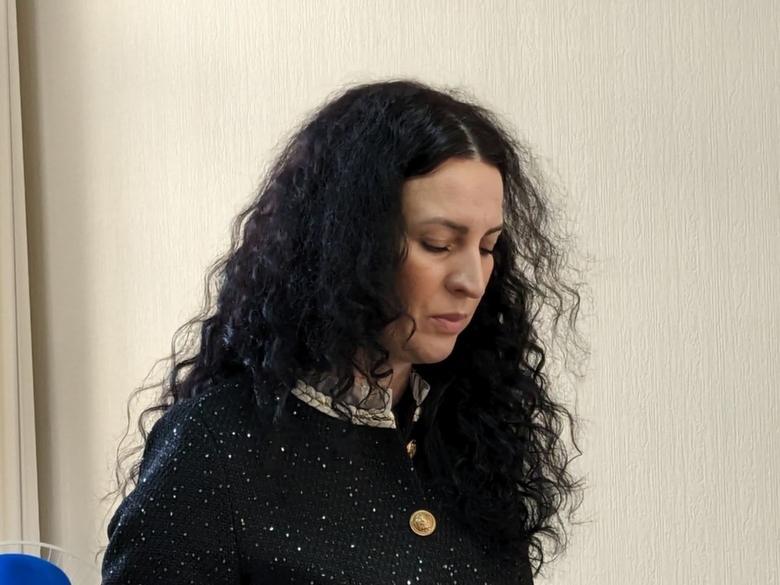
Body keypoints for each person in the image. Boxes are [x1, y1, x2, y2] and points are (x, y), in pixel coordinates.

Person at [102, 79, 584, 584]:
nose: (472, 281)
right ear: (348, 244)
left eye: (487, 247)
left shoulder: (478, 437)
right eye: (438, 244)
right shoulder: (214, 446)